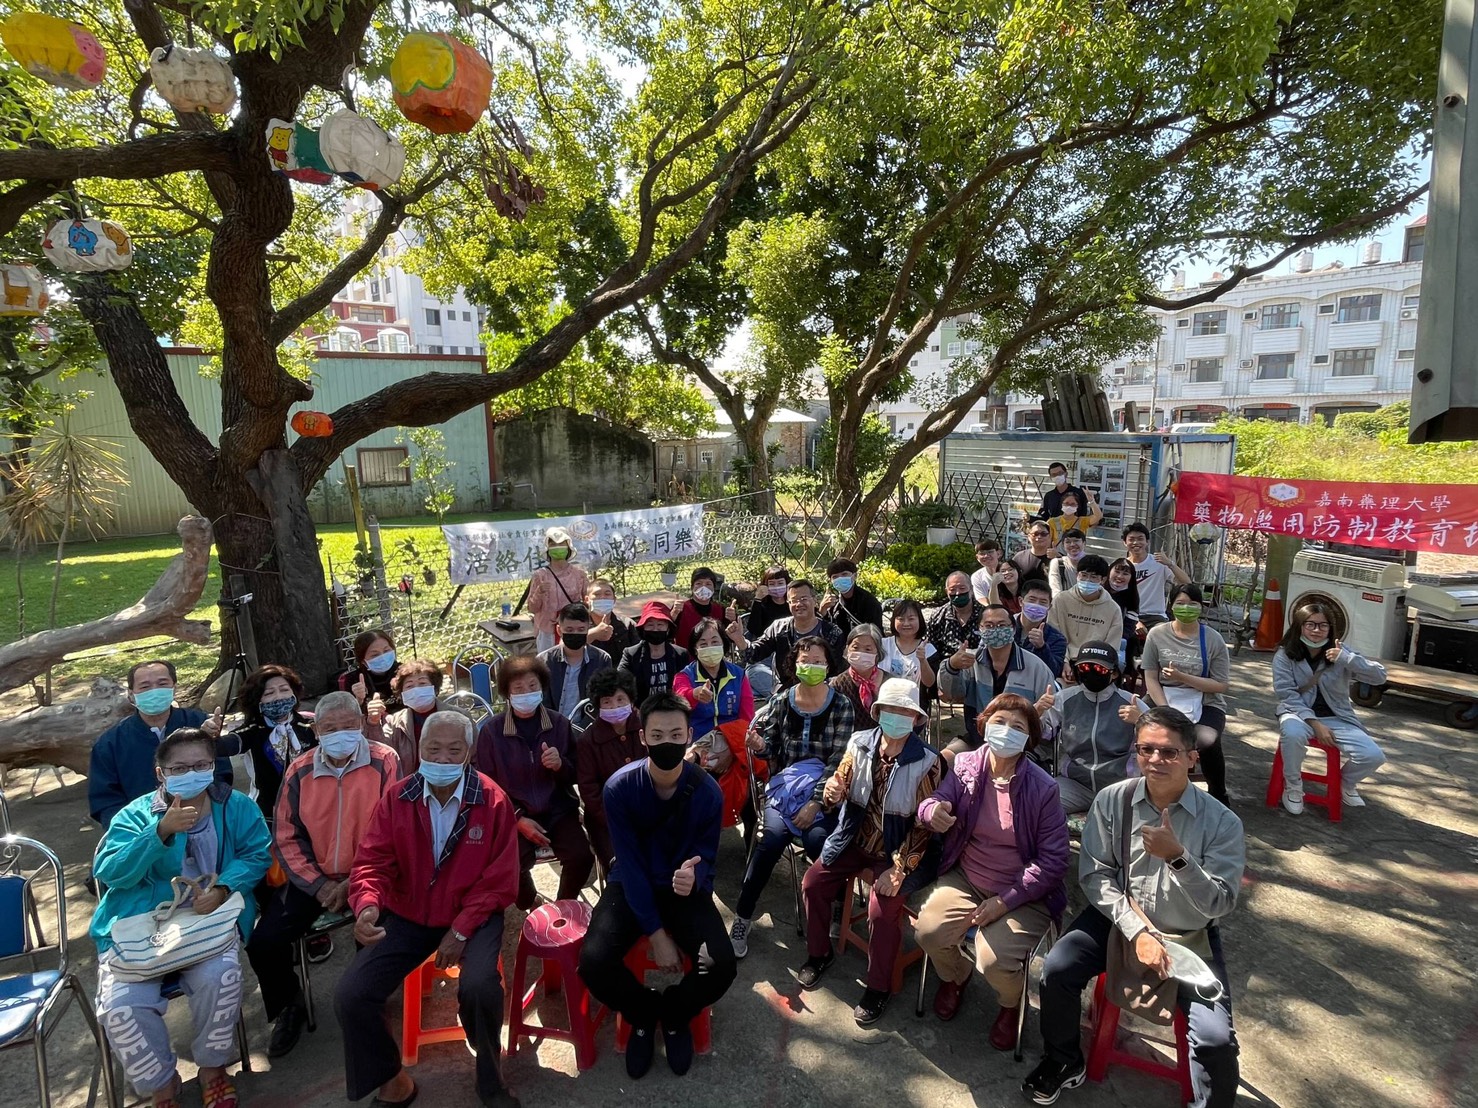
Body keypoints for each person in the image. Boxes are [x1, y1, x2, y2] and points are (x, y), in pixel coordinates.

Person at [1023, 707, 1244, 1108]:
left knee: (1215, 1039)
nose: (1156, 760)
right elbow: (1095, 876)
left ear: (1192, 757)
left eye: (1169, 752)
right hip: (1119, 916)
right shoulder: (1114, 800)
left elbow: (1221, 902)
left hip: (1187, 933)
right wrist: (1137, 930)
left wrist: (1178, 858)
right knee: (1056, 971)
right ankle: (1064, 1059)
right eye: (1147, 750)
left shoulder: (1222, 822)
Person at [336, 711, 521, 1108]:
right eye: (432, 749)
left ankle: (491, 1078)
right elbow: (372, 861)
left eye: (454, 750)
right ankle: (393, 1080)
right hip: (408, 914)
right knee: (353, 994)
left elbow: (499, 881)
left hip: (472, 914)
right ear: (418, 750)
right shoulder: (398, 797)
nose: (441, 759)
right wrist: (367, 906)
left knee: (479, 988)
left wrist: (459, 930)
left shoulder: (492, 800)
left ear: (469, 753)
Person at [92, 728, 271, 1108]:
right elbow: (110, 871)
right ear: (162, 773)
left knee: (220, 978)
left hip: (208, 924)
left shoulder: (237, 806)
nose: (192, 772)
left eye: (201, 764)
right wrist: (158, 832)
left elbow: (257, 854)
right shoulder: (135, 814)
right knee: (121, 1007)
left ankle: (212, 1069)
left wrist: (223, 889)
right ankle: (162, 1085)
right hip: (140, 930)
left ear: (213, 766)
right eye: (180, 767)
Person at [577, 693, 737, 1080]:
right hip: (632, 886)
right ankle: (643, 1012)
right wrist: (656, 933)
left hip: (683, 893)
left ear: (688, 737)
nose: (668, 742)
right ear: (643, 738)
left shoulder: (707, 792)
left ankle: (676, 1013)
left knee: (722, 966)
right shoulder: (620, 788)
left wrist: (694, 877)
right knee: (593, 963)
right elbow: (628, 865)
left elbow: (707, 857)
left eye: (676, 733)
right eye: (658, 734)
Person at [246, 692, 401, 1058]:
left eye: (349, 726)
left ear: (362, 725)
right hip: (313, 878)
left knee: (375, 928)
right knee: (263, 942)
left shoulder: (384, 761)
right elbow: (286, 835)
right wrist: (319, 885)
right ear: (316, 730)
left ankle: (368, 1000)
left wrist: (357, 879)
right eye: (330, 728)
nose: (340, 734)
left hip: (371, 873)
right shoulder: (299, 770)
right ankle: (290, 1004)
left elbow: (393, 828)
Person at [915, 694, 1069, 1045]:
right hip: (967, 877)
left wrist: (1006, 900)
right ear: (984, 725)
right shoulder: (966, 764)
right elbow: (935, 800)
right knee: (929, 932)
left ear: (1029, 739)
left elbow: (1054, 861)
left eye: (1018, 727)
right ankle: (956, 975)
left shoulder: (1043, 789)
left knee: (994, 960)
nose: (1006, 731)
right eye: (999, 722)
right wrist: (932, 811)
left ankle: (1010, 1003)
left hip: (1024, 893)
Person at [796, 678, 942, 1026]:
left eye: (904, 711)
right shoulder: (860, 742)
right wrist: (832, 791)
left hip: (897, 851)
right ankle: (819, 954)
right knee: (813, 883)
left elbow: (923, 826)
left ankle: (878, 987)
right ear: (878, 713)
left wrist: (901, 869)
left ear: (916, 718)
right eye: (889, 709)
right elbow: (841, 782)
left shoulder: (928, 762)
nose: (896, 716)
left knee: (881, 911)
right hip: (853, 839)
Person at [728, 637, 855, 958]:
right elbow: (771, 747)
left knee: (819, 842)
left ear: (828, 665)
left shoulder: (841, 705)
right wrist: (759, 746)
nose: (810, 665)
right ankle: (743, 917)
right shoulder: (783, 700)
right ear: (794, 665)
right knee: (769, 841)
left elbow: (839, 761)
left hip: (824, 793)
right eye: (804, 659)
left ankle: (836, 904)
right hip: (783, 790)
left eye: (817, 660)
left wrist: (815, 803)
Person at [475, 654, 594, 909]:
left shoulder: (559, 724)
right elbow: (486, 785)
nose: (526, 693)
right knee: (508, 867)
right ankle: (530, 902)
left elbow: (577, 772)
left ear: (542, 687)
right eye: (518, 688)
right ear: (507, 693)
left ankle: (562, 905)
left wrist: (561, 764)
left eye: (532, 686)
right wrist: (517, 819)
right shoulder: (492, 732)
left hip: (559, 809)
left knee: (581, 856)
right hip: (512, 814)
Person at [1272, 602, 1388, 813]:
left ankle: (1344, 782)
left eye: (1323, 625)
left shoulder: (1341, 652)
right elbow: (1287, 695)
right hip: (1298, 714)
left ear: (1330, 628)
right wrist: (1315, 725)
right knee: (1292, 735)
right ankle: (1293, 786)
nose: (1317, 630)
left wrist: (1348, 659)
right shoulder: (1284, 655)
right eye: (1310, 625)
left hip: (1338, 717)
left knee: (1373, 755)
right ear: (1299, 626)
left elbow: (1379, 676)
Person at [88, 659, 225, 829]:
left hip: (206, 822)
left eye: (162, 683)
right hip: (143, 830)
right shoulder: (110, 744)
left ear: (174, 688)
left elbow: (222, 777)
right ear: (131, 695)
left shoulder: (199, 725)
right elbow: (105, 801)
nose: (154, 690)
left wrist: (206, 813)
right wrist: (137, 831)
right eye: (145, 686)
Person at [1142, 585, 1233, 807]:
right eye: (1180, 604)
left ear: (1201, 607)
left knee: (1207, 741)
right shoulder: (1157, 634)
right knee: (1135, 727)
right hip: (1162, 697)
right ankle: (1142, 786)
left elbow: (1220, 685)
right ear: (1171, 606)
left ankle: (1218, 796)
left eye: (1192, 604)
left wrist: (1183, 677)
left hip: (1205, 700)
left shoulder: (1213, 639)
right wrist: (1165, 710)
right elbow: (1151, 677)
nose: (1186, 609)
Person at [938, 605, 1055, 758]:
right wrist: (951, 666)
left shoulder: (1037, 668)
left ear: (1013, 629)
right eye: (989, 626)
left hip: (1021, 744)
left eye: (1001, 625)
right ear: (980, 629)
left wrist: (1033, 713)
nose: (995, 630)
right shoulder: (970, 661)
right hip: (978, 739)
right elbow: (950, 696)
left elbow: (1050, 723)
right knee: (942, 761)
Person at [1044, 641, 1146, 815]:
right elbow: (1041, 734)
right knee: (1041, 804)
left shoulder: (1131, 702)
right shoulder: (1064, 698)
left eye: (1098, 669)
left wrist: (1141, 721)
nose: (1090, 673)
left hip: (1120, 785)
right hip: (1075, 784)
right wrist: (1036, 711)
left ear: (1113, 673)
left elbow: (1161, 738)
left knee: (1140, 816)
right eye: (1084, 668)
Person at [674, 619, 757, 827]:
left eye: (714, 641)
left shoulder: (738, 675)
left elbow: (747, 718)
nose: (709, 647)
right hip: (698, 748)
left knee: (748, 796)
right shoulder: (685, 676)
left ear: (724, 644)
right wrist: (694, 695)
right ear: (694, 648)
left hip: (734, 745)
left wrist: (731, 752)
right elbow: (680, 699)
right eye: (703, 643)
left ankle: (748, 845)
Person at [219, 664, 317, 824]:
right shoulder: (253, 730)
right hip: (268, 815)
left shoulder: (309, 725)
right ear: (257, 699)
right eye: (269, 693)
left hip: (310, 809)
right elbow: (225, 746)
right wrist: (209, 736)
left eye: (284, 689)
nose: (279, 697)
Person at [576, 668, 647, 872]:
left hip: (649, 812)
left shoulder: (648, 728)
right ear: (598, 705)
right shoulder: (587, 741)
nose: (614, 706)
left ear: (631, 701)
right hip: (606, 820)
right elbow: (589, 790)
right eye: (607, 701)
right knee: (621, 868)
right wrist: (617, 820)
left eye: (620, 699)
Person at [730, 579, 845, 688]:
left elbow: (837, 671)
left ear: (814, 600)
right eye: (794, 601)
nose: (799, 604)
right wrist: (739, 639)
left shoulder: (832, 633)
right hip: (786, 690)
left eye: (804, 599)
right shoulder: (779, 628)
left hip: (822, 691)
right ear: (788, 603)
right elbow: (754, 655)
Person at [537, 602, 613, 719]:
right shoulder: (544, 662)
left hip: (589, 729)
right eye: (569, 630)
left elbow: (603, 700)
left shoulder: (602, 659)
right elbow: (542, 703)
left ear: (588, 629)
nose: (575, 634)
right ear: (559, 630)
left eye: (581, 629)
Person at [370, 658, 446, 774]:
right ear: (402, 694)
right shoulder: (395, 722)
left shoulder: (458, 717)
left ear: (434, 688)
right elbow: (380, 753)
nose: (416, 689)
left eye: (422, 683)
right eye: (409, 686)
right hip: (410, 785)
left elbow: (474, 755)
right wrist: (373, 723)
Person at [1049, 555, 1121, 671]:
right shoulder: (1060, 600)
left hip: (1095, 664)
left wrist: (1089, 666)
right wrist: (1064, 662)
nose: (1087, 580)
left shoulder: (1113, 609)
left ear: (1103, 580)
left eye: (1093, 577)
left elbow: (1111, 646)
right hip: (1061, 659)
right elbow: (1054, 634)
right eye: (1084, 575)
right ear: (1077, 575)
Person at [527, 525, 590, 653]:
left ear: (568, 547)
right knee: (548, 667)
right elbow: (532, 608)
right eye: (553, 544)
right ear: (548, 549)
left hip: (573, 630)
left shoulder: (579, 575)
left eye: (562, 544)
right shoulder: (540, 575)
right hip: (547, 632)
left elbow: (588, 603)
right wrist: (539, 592)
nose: (558, 547)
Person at [619, 600, 692, 701]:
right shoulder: (631, 654)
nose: (655, 629)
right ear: (643, 628)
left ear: (668, 628)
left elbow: (686, 685)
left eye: (660, 624)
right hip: (642, 711)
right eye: (650, 625)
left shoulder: (681, 654)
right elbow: (621, 683)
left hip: (673, 709)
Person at [1122, 522, 1189, 630]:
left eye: (1140, 539)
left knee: (1163, 635)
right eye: (1131, 539)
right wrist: (1135, 621)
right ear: (1125, 542)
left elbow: (1186, 582)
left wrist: (1170, 564)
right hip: (1129, 616)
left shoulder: (1159, 562)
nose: (1136, 542)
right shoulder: (1120, 567)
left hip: (1156, 617)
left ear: (1147, 542)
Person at [880, 599, 937, 700]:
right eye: (901, 619)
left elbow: (930, 683)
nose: (906, 623)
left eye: (911, 619)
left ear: (919, 620)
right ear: (893, 621)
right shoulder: (882, 645)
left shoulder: (929, 649)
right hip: (885, 701)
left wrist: (923, 660)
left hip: (915, 705)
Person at [337, 629, 403, 713]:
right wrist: (359, 700)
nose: (382, 657)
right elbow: (347, 716)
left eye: (386, 651)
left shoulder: (404, 672)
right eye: (375, 655)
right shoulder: (352, 679)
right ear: (363, 661)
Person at [830, 624, 886, 722]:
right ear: (847, 650)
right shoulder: (837, 685)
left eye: (868, 649)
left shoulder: (890, 682)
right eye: (855, 647)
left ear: (878, 653)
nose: (861, 653)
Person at [819, 557, 884, 637]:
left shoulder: (869, 602)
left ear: (855, 575)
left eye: (844, 574)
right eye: (835, 577)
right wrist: (822, 610)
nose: (840, 579)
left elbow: (875, 633)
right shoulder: (833, 601)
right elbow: (826, 631)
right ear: (831, 581)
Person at [927, 571, 984, 660]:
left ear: (971, 589)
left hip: (980, 665)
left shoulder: (985, 614)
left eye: (962, 588)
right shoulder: (937, 617)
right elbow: (930, 650)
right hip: (947, 667)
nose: (957, 593)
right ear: (947, 592)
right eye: (952, 590)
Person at [1016, 579, 1067, 678]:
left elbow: (1054, 672)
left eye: (1043, 602)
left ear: (1049, 607)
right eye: (1032, 600)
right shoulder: (1007, 628)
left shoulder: (1057, 638)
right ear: (1021, 601)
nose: (1036, 605)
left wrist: (1042, 648)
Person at [586, 577, 637, 666]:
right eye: (597, 594)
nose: (602, 598)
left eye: (607, 594)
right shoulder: (579, 625)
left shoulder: (627, 625)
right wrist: (593, 634)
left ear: (614, 599)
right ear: (587, 600)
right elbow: (564, 648)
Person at [1106, 557, 1143, 672]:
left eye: (1125, 573)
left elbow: (1129, 628)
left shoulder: (1132, 599)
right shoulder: (1099, 591)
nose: (1120, 576)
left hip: (1117, 640)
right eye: (1117, 571)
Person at [675, 566, 726, 646]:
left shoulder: (720, 610)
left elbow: (729, 637)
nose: (703, 587)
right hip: (686, 657)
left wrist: (732, 619)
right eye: (699, 583)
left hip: (713, 656)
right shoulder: (681, 609)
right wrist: (673, 614)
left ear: (714, 587)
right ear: (692, 587)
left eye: (708, 584)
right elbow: (668, 632)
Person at [1010, 521, 1058, 585]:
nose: (1039, 537)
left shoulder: (1058, 558)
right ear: (1029, 537)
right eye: (1036, 534)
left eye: (1043, 534)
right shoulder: (1019, 558)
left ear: (1049, 536)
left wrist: (1058, 558)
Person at [1048, 533, 1087, 598]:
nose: (1072, 545)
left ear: (1084, 543)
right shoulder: (1057, 563)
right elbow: (1055, 589)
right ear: (1063, 545)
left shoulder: (1093, 563)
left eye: (1076, 541)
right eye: (1068, 542)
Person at [970, 540, 1005, 605]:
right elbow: (981, 598)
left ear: (998, 554)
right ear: (977, 557)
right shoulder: (976, 576)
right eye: (982, 553)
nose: (986, 556)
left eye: (990, 552)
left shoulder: (1008, 571)